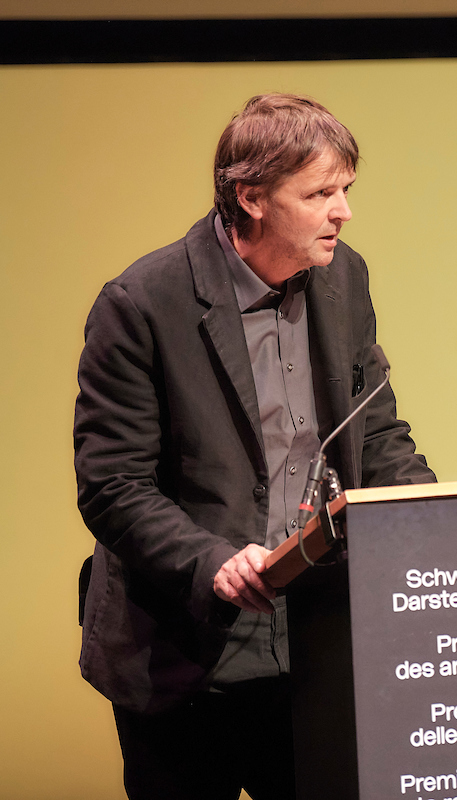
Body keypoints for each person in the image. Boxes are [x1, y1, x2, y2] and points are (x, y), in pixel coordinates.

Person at [74, 93, 436, 800]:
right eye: (321, 193)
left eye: (346, 190)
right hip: (183, 657)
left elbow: (375, 430)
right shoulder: (142, 304)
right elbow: (113, 486)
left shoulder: (344, 277)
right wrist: (211, 561)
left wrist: (433, 517)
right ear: (252, 198)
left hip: (316, 644)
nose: (343, 212)